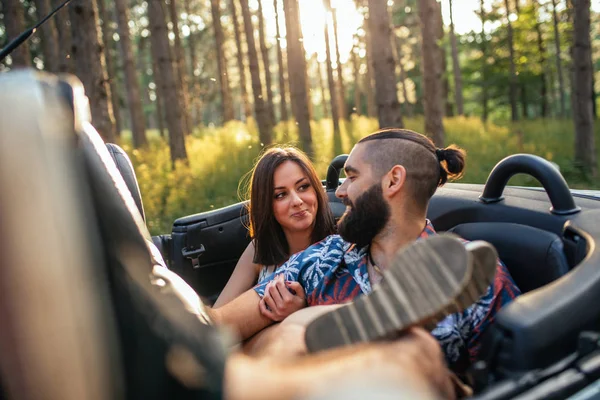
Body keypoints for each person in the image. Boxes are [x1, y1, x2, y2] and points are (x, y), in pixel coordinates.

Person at [209, 128, 521, 373]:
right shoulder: (324, 257)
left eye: (352, 176)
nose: (340, 191)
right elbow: (222, 324)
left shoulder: (472, 272)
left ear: (393, 181)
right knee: (291, 333)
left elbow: (511, 377)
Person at [213, 147, 335, 315]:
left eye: (303, 187)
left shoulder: (340, 240)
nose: (297, 201)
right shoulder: (258, 248)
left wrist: (300, 310)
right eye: (280, 195)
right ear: (266, 206)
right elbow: (218, 316)